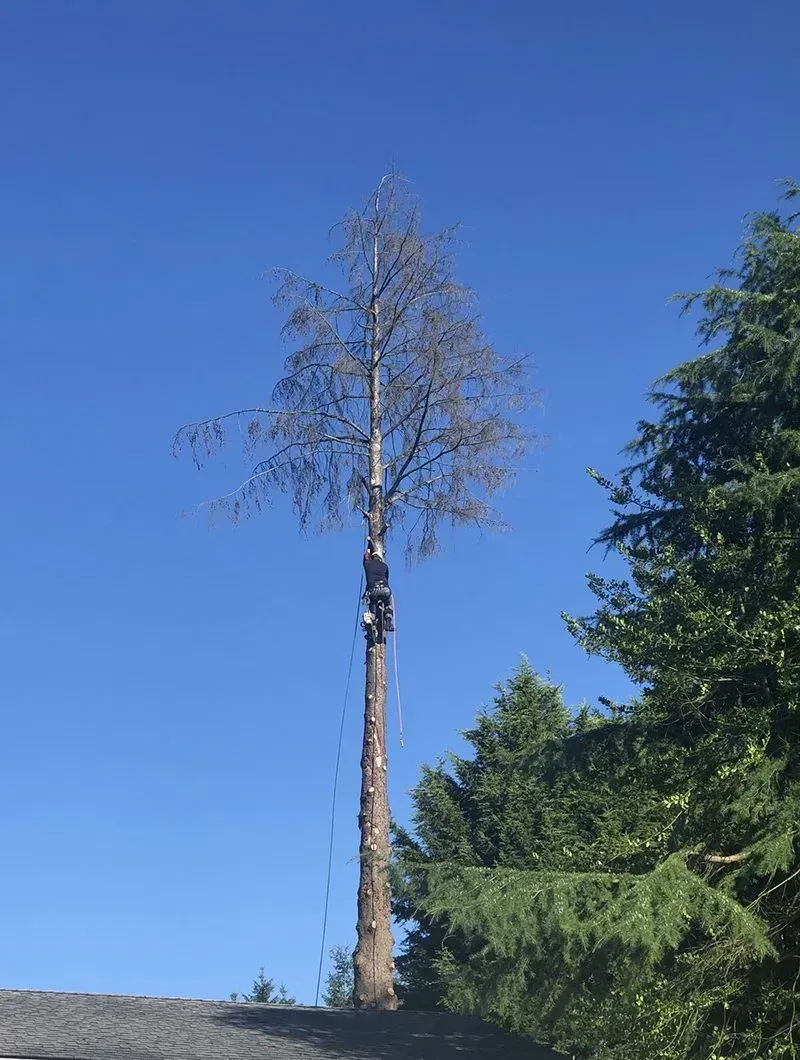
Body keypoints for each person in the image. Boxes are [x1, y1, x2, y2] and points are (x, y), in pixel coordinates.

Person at [363, 542, 395, 632]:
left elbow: (366, 556)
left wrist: (369, 545)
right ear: (380, 558)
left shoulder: (368, 564)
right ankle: (388, 622)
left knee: (372, 604)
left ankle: (371, 621)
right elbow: (387, 578)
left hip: (373, 590)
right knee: (389, 603)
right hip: (385, 589)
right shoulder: (385, 566)